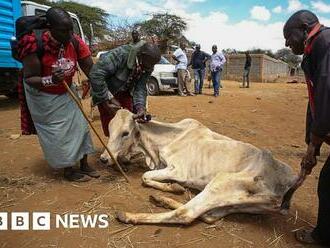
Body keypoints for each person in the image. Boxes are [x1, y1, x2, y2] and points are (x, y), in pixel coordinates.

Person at [18, 7, 98, 182]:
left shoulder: (75, 42)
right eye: (64, 31)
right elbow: (30, 78)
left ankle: (84, 164)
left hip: (67, 90)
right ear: (50, 28)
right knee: (60, 132)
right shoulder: (33, 44)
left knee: (81, 125)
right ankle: (69, 170)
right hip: (43, 95)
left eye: (71, 30)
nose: (69, 34)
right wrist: (50, 80)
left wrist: (101, 91)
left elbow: (90, 69)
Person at [284, 10, 330, 246]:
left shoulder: (326, 43)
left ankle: (324, 235)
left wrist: (314, 143)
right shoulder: (314, 51)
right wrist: (311, 144)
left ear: (303, 29)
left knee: (328, 185)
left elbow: (326, 97)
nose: (286, 43)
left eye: (288, 36)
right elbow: (314, 101)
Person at [89, 42, 161, 137]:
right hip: (106, 91)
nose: (151, 67)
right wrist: (108, 99)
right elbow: (96, 74)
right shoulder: (120, 54)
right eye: (150, 64)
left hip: (126, 93)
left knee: (128, 126)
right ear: (141, 55)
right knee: (112, 127)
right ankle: (115, 148)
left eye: (153, 64)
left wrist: (140, 108)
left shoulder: (148, 64)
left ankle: (125, 148)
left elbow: (140, 87)